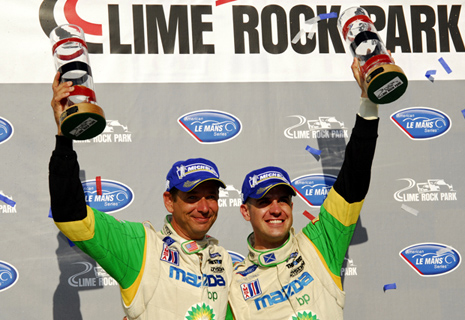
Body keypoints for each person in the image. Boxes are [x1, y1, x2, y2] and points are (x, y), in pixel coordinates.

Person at [49, 72, 233, 319]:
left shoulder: (222, 259)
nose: (203, 207)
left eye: (211, 196)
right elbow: (71, 216)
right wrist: (64, 137)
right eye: (192, 197)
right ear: (170, 201)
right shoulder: (141, 245)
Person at [227, 58, 380, 320]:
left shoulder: (319, 243)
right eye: (264, 201)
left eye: (283, 200)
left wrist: (368, 101)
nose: (276, 209)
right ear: (245, 211)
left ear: (291, 206)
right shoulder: (233, 285)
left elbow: (353, 181)